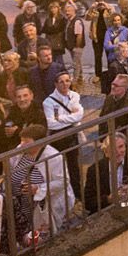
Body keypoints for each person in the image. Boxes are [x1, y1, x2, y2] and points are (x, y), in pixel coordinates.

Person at [9, 124, 74, 242]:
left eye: (26, 141)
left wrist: (38, 189)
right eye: (21, 140)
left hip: (43, 208)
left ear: (39, 143)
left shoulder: (54, 157)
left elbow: (63, 181)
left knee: (44, 237)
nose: (21, 144)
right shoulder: (19, 150)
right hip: (22, 204)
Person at [42, 71, 84, 202]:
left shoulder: (75, 96)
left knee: (74, 165)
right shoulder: (48, 102)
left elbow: (80, 115)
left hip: (71, 135)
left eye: (67, 81)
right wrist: (71, 118)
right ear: (56, 84)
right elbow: (52, 124)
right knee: (57, 167)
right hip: (57, 138)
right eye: (61, 81)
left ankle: (77, 193)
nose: (65, 84)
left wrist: (61, 118)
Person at [87, 0, 114, 94]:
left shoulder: (108, 9)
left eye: (101, 3)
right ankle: (98, 74)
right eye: (98, 3)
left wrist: (107, 7)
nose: (100, 6)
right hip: (96, 37)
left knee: (109, 56)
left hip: (107, 37)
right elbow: (87, 17)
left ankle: (111, 73)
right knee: (97, 56)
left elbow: (114, 17)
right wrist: (91, 8)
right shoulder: (94, 10)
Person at [61, 1, 86, 83]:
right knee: (78, 62)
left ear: (74, 11)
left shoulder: (77, 21)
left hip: (76, 47)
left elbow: (79, 35)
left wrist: (77, 47)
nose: (67, 13)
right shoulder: (69, 20)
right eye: (66, 11)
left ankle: (75, 80)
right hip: (71, 46)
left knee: (75, 64)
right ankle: (80, 77)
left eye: (69, 11)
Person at [39, 0, 67, 65]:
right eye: (52, 8)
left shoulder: (62, 19)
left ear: (58, 8)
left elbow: (59, 29)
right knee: (51, 59)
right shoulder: (48, 19)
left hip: (58, 42)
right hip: (49, 41)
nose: (53, 10)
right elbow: (44, 29)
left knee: (59, 59)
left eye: (55, 8)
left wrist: (50, 30)